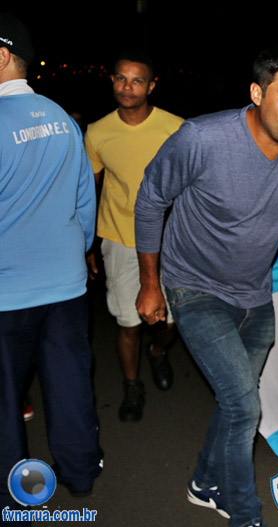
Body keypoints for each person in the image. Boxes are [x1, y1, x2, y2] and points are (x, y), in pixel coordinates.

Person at [134, 47, 278, 527]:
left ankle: (203, 481)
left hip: (255, 294)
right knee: (244, 406)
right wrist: (149, 284)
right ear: (257, 93)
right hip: (194, 287)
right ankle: (245, 515)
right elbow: (151, 201)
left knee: (233, 402)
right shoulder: (202, 138)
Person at [0, 12, 103, 512]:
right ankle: (80, 473)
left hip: (8, 294)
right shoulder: (62, 116)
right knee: (68, 383)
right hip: (66, 286)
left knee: (5, 405)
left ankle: (12, 501)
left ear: (1, 55)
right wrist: (73, 253)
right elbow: (86, 201)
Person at [84, 51, 184, 422]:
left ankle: (157, 352)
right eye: (121, 79)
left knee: (172, 322)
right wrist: (88, 243)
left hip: (172, 241)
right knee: (128, 321)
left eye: (137, 80)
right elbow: (89, 191)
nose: (128, 87)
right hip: (119, 238)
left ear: (151, 86)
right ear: (112, 81)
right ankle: (131, 386)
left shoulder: (176, 128)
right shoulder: (97, 132)